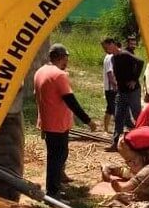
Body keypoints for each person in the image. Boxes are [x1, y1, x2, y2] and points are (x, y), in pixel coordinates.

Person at [33, 44, 100, 198]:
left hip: (47, 122)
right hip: (58, 124)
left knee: (55, 156)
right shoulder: (59, 75)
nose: (67, 62)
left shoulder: (40, 71)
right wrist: (88, 121)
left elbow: (38, 97)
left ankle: (56, 183)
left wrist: (42, 122)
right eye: (66, 59)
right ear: (61, 58)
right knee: (57, 157)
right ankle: (53, 192)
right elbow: (71, 101)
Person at [101, 125, 149, 193]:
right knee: (144, 172)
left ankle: (113, 169)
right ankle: (126, 187)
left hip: (127, 142)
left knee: (140, 171)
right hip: (126, 145)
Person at [110, 34, 144, 150]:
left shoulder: (126, 54)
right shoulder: (115, 57)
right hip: (122, 91)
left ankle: (143, 140)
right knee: (119, 116)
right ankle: (115, 143)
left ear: (112, 45)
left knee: (137, 115)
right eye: (131, 43)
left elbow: (140, 62)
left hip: (132, 91)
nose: (133, 45)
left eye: (134, 43)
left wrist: (134, 80)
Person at [101, 37, 120, 133]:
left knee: (111, 108)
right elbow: (110, 73)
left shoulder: (109, 56)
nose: (104, 49)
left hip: (110, 88)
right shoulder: (110, 57)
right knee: (113, 108)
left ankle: (106, 128)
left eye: (105, 47)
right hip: (111, 88)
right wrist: (115, 86)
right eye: (104, 47)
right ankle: (109, 129)